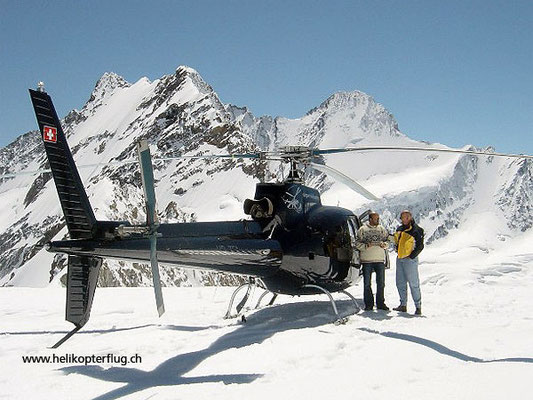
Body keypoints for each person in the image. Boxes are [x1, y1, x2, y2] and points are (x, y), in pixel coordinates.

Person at [355, 211, 391, 311]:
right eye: (376, 219)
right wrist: (366, 246)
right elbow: (357, 243)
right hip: (367, 261)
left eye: (378, 219)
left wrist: (385, 245)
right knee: (367, 284)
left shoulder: (381, 229)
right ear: (370, 219)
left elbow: (388, 241)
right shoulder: (362, 229)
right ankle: (369, 304)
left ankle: (380, 303)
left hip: (379, 260)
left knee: (381, 283)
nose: (378, 220)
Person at [393, 210, 425, 315]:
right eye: (403, 217)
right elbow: (396, 241)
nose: (405, 219)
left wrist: (412, 256)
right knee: (400, 283)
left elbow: (420, 246)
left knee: (413, 283)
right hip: (400, 258)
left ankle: (418, 306)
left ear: (410, 217)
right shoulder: (399, 229)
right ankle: (403, 305)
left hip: (409, 260)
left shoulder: (417, 230)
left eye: (407, 217)